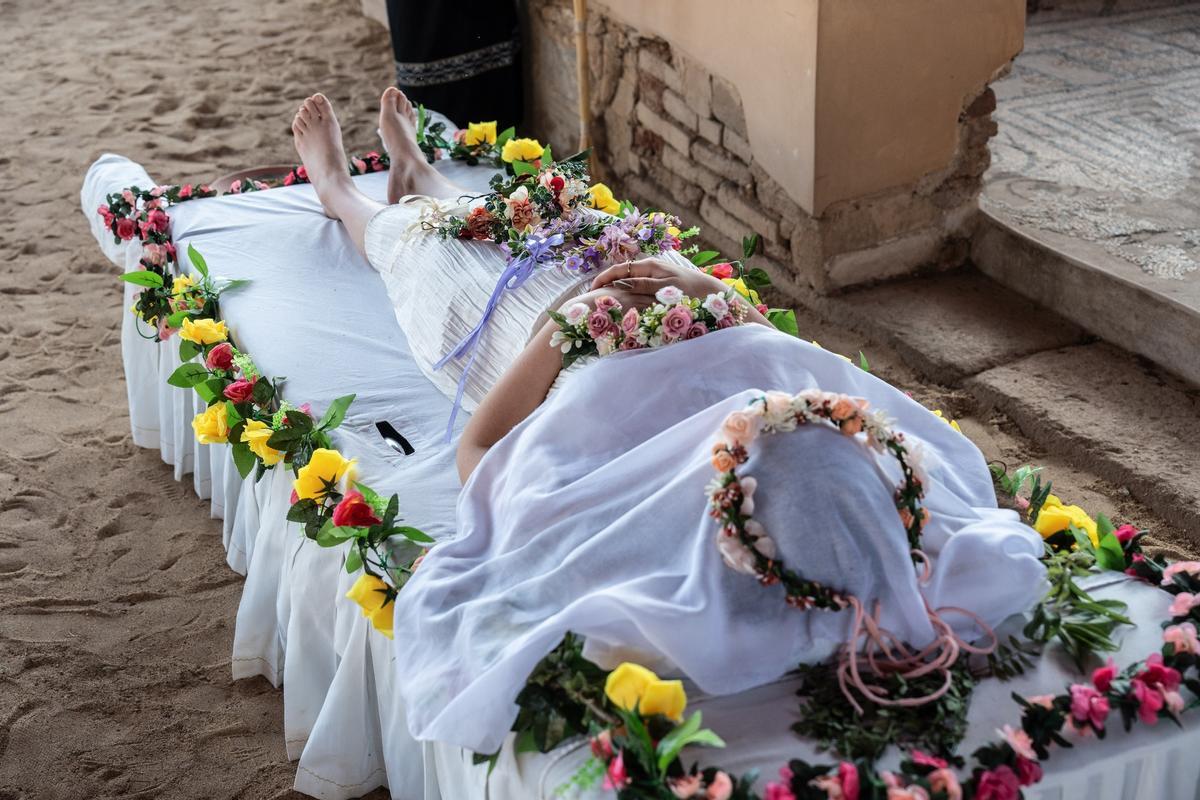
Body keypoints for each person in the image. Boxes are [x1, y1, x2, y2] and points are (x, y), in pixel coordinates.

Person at [290, 92, 1047, 755]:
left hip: (533, 332)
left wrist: (566, 326)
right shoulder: (796, 409)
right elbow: (789, 356)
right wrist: (703, 288)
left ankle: (342, 194)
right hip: (656, 284)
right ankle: (422, 173)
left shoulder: (607, 481)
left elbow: (480, 448)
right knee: (546, 220)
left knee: (431, 257)